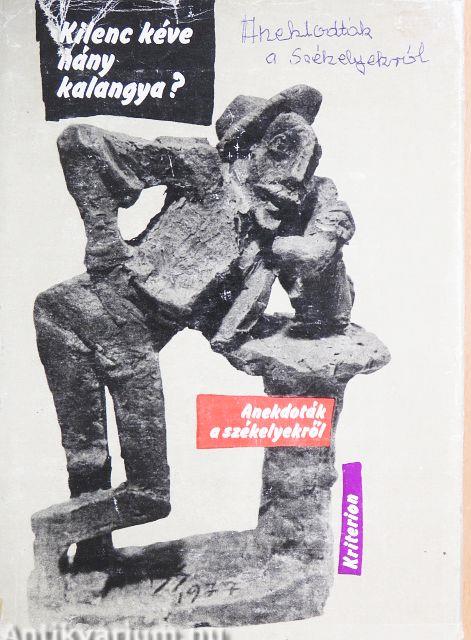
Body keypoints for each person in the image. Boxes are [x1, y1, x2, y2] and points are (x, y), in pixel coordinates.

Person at [34, 85, 354, 565]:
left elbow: (327, 316)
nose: (294, 174)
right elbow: (80, 142)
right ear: (245, 148)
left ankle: (92, 560)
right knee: (143, 492)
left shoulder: (271, 235)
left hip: (117, 331)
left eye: (307, 162)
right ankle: (52, 533)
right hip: (87, 316)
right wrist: (102, 238)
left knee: (91, 459)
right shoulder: (205, 169)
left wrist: (329, 243)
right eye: (282, 149)